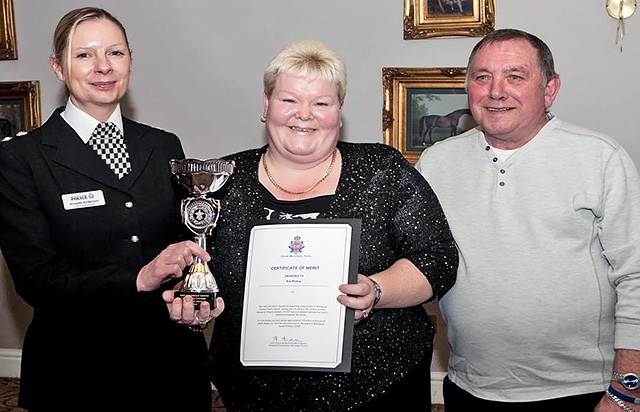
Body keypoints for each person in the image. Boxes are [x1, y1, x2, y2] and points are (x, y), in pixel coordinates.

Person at [164, 39, 458, 411]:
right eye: (289, 100)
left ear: (339, 112)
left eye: (321, 103)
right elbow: (190, 266)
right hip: (255, 392)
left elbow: (438, 259)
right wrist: (190, 302)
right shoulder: (222, 181)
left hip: (379, 386)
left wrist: (377, 289)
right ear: (266, 104)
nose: (304, 115)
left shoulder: (381, 170)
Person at [0, 7, 223, 411]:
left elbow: (184, 242)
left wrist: (194, 294)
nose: (103, 67)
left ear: (131, 60)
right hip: (78, 371)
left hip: (169, 364)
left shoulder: (163, 146)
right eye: (84, 55)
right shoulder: (22, 159)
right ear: (58, 67)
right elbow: (36, 279)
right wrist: (138, 277)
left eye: (115, 53)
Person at [415, 28, 640, 411]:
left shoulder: (600, 158)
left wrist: (627, 391)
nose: (496, 90)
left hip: (582, 392)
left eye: (515, 76)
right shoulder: (436, 163)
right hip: (470, 388)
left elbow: (635, 275)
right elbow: (419, 263)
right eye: (482, 77)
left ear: (550, 90)